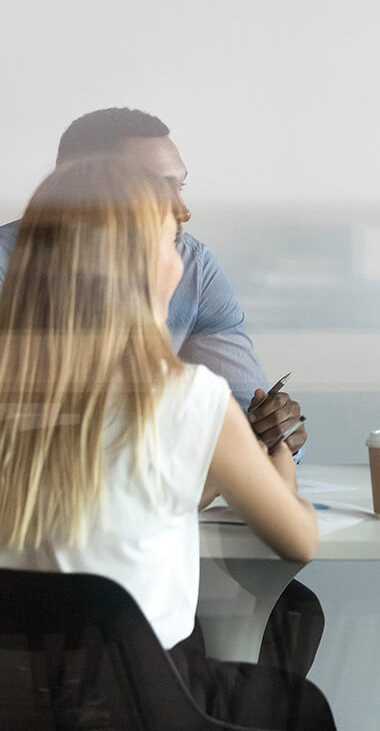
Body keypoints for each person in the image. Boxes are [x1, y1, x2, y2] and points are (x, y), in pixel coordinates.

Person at [0, 157, 332, 729]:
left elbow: (121, 496)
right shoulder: (189, 399)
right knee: (297, 705)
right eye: (172, 241)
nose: (183, 259)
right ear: (142, 267)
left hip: (20, 706)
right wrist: (272, 449)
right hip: (145, 705)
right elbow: (298, 539)